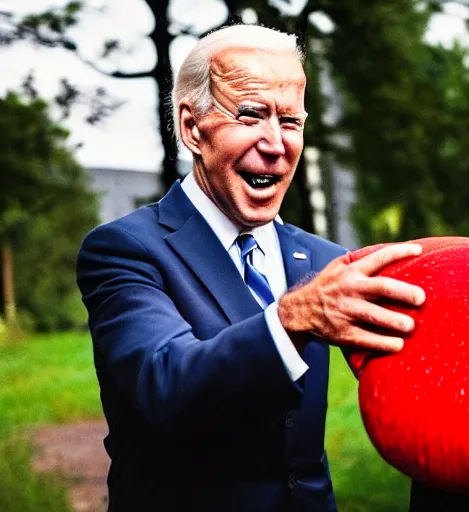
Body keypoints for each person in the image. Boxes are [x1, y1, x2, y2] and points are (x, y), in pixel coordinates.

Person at [76, 24, 425, 512]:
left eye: (291, 122)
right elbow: (165, 383)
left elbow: (426, 396)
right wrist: (291, 319)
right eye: (251, 114)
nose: (276, 143)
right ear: (192, 127)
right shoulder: (124, 249)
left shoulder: (322, 260)